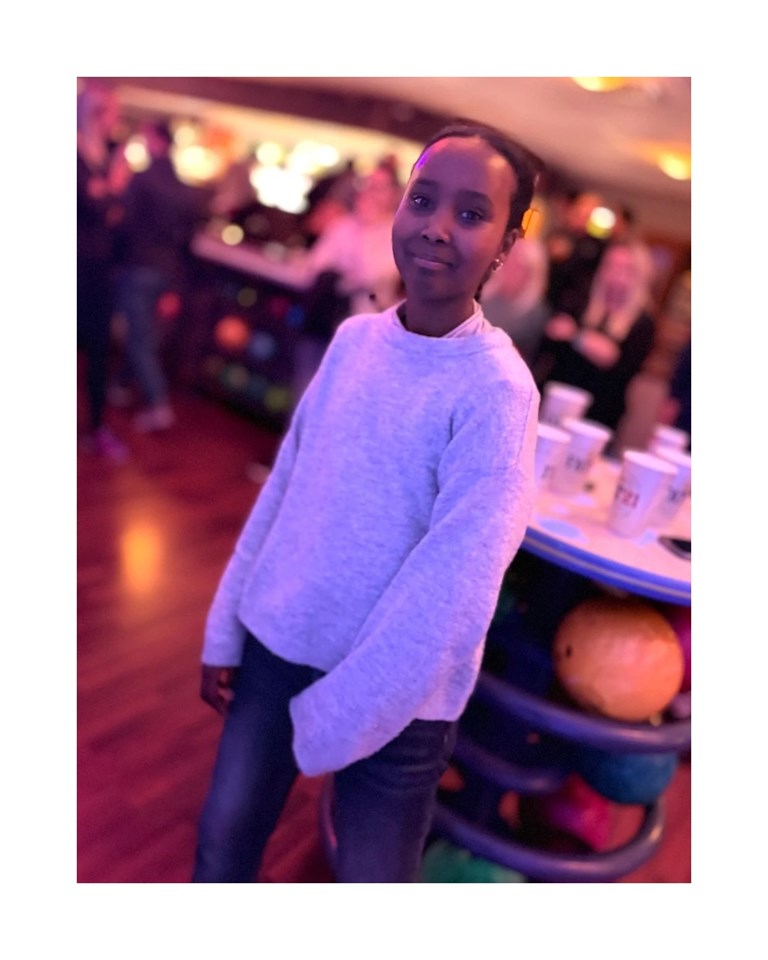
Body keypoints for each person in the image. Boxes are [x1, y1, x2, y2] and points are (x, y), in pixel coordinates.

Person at [192, 120, 543, 883]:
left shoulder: (497, 391)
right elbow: (285, 490)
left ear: (507, 244)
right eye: (423, 200)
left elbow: (455, 591)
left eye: (472, 213)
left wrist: (336, 716)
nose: (437, 227)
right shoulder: (354, 341)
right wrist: (226, 624)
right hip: (278, 645)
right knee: (221, 849)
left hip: (402, 700)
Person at [114, 121, 208, 432]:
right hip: (168, 273)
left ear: (156, 141)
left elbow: (124, 224)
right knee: (146, 335)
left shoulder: (143, 180)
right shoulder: (183, 189)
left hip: (140, 267)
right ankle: (122, 386)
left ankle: (158, 404)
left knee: (139, 338)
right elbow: (188, 241)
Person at [534, 240, 657, 434]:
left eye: (625, 269)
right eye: (610, 266)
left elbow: (613, 358)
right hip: (558, 401)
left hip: (598, 415)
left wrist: (575, 336)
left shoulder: (643, 323)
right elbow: (552, 335)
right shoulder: (580, 301)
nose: (615, 274)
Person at [76, 82, 129, 460]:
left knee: (98, 350)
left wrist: (106, 193)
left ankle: (95, 428)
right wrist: (110, 190)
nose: (117, 121)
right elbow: (96, 207)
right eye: (112, 113)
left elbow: (116, 214)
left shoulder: (108, 156)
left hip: (98, 271)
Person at [480, 234, 552, 367]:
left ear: (532, 272)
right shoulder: (483, 296)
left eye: (518, 265)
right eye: (508, 262)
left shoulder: (535, 314)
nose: (509, 269)